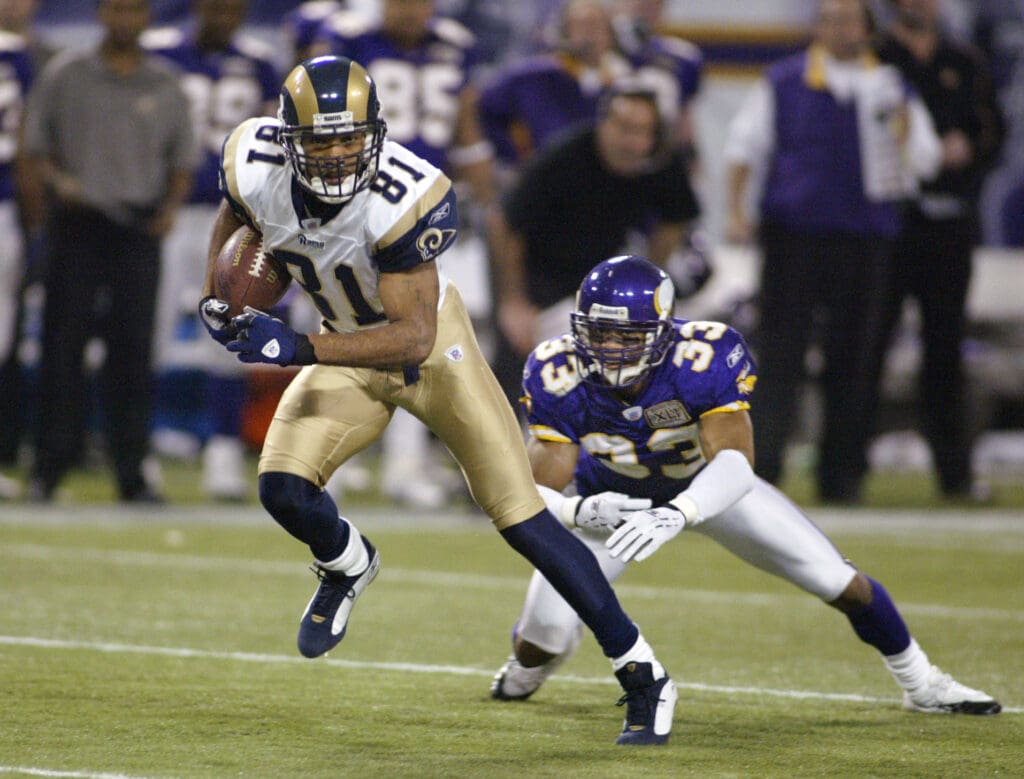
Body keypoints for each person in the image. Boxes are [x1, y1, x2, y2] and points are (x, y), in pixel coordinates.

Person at [197, 54, 677, 745]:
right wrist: (217, 297)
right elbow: (234, 213)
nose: (335, 156)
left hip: (431, 355)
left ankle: (644, 674)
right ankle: (346, 562)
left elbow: (413, 336)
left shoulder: (404, 196)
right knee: (281, 488)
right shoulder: (250, 158)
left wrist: (294, 348)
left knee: (524, 519)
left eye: (348, 139)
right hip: (344, 346)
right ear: (289, 138)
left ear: (375, 134)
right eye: (320, 141)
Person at [489, 254, 1002, 718]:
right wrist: (583, 512)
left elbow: (736, 464)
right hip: (612, 506)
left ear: (665, 330)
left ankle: (921, 681)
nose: (610, 349)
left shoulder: (706, 358)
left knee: (835, 580)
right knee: (545, 635)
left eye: (627, 336)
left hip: (710, 493)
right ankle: (528, 667)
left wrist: (679, 512)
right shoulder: (557, 371)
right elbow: (531, 494)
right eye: (598, 333)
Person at [723, 0, 942, 504]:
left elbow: (924, 161)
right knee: (780, 354)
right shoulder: (783, 80)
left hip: (866, 240)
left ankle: (842, 475)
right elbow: (744, 148)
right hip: (794, 236)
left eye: (846, 20)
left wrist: (903, 125)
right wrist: (738, 211)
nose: (836, 29)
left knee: (856, 357)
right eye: (827, 19)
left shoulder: (890, 86)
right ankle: (764, 468)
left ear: (867, 30)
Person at [313, 0, 499, 508]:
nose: (414, 9)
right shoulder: (347, 37)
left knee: (421, 341)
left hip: (425, 205)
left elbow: (465, 124)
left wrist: (482, 190)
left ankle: (404, 463)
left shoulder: (455, 45)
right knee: (345, 330)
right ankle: (327, 457)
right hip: (356, 204)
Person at [20, 0, 197, 503]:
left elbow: (182, 156)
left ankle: (132, 473)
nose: (126, 21)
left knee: (133, 352)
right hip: (78, 225)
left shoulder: (165, 83)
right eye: (118, 10)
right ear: (103, 14)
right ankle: (49, 469)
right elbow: (36, 149)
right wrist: (58, 185)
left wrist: (169, 209)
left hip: (137, 228)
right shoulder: (65, 75)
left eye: (135, 11)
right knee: (62, 348)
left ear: (147, 19)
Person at [143, 0, 280, 501]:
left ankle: (222, 454)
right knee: (149, 332)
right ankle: (141, 450)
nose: (224, 13)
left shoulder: (260, 63)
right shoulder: (159, 52)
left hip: (236, 217)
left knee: (229, 333)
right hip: (169, 215)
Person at [489, 85, 701, 396]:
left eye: (644, 132)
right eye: (625, 129)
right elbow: (504, 222)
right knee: (518, 355)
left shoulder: (661, 163)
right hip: (533, 264)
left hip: (597, 273)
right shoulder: (564, 156)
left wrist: (649, 277)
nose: (633, 141)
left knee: (610, 360)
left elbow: (677, 216)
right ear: (604, 125)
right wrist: (513, 301)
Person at [876, 0, 1006, 502]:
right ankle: (841, 468)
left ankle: (953, 473)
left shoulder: (964, 61)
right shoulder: (877, 58)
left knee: (945, 349)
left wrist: (969, 151)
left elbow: (993, 129)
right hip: (889, 224)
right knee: (865, 346)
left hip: (950, 223)